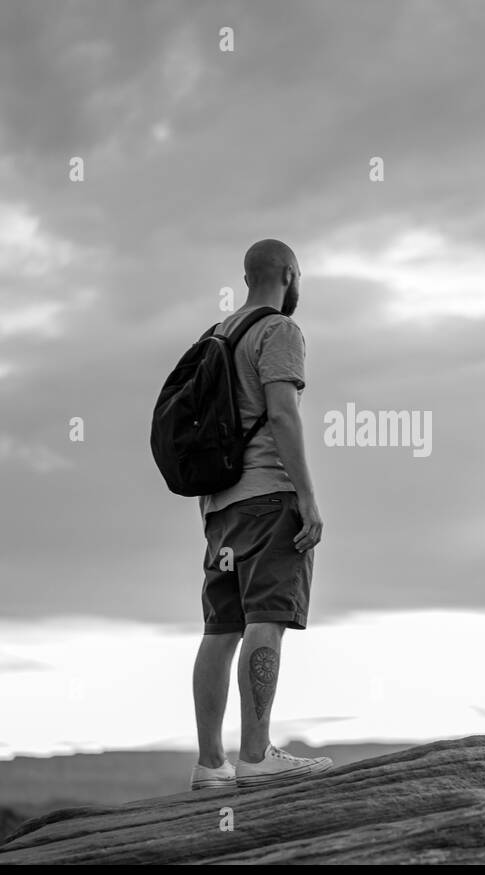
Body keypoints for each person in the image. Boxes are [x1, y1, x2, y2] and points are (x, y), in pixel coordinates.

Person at [189, 239, 331, 790]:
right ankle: (255, 756)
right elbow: (282, 415)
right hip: (269, 498)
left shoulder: (216, 336)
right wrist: (307, 496)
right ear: (289, 274)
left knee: (219, 628)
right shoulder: (279, 332)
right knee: (265, 619)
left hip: (219, 507)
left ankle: (209, 764)